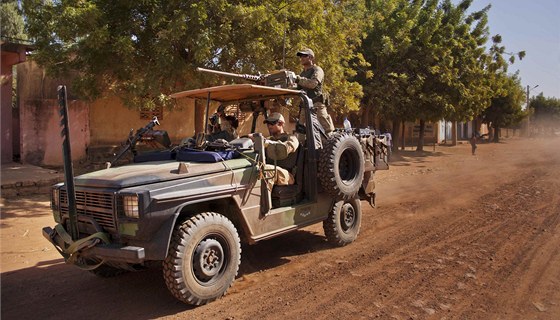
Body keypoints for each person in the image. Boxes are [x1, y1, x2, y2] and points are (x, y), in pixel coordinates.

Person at [252, 112, 299, 188]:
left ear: (281, 123)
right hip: (273, 170)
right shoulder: (268, 139)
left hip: (286, 175)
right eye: (268, 123)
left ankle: (265, 199)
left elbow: (285, 148)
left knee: (266, 170)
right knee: (253, 169)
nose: (269, 126)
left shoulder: (291, 138)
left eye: (272, 123)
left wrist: (266, 143)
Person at [295, 48, 335, 135]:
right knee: (301, 130)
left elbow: (313, 84)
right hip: (305, 106)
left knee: (327, 131)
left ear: (311, 57)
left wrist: (298, 79)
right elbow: (296, 89)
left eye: (304, 56)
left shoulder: (317, 70)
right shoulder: (302, 74)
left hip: (316, 104)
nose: (302, 58)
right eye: (301, 56)